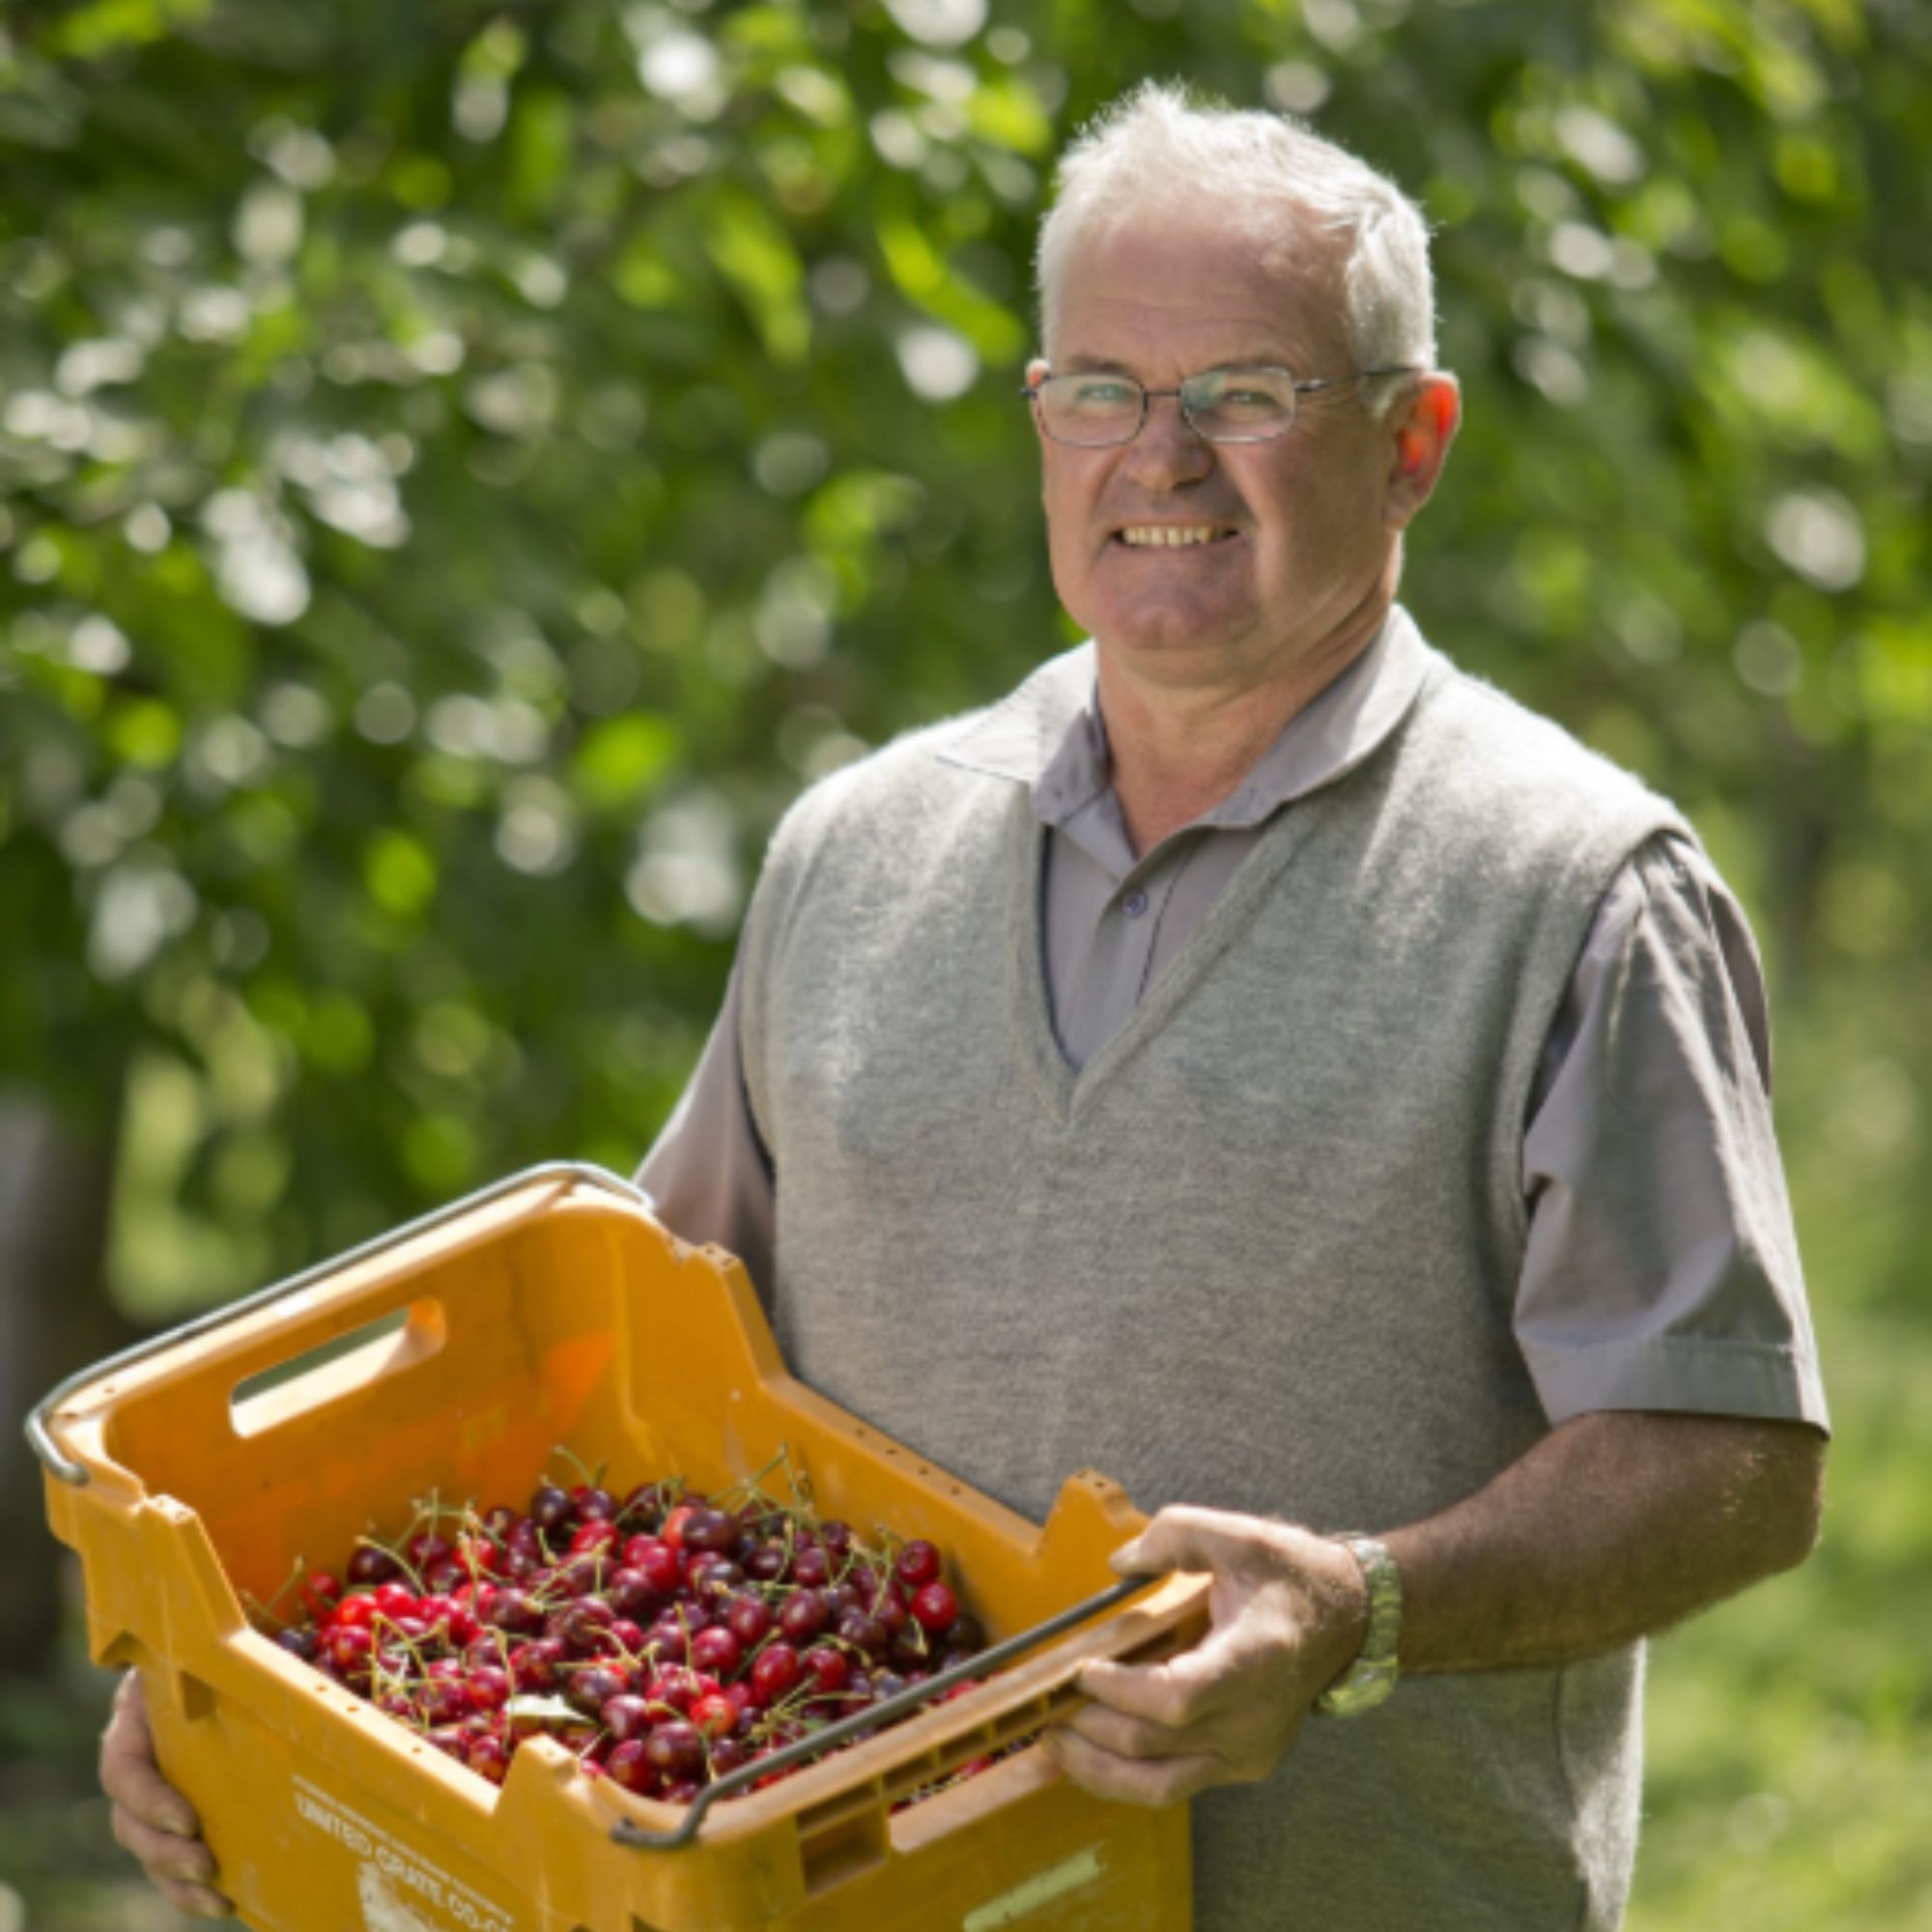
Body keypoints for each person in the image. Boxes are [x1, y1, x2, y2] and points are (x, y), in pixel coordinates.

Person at [101, 81, 1827, 1930]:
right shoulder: (859, 852)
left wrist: (1361, 1610)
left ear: (1413, 443)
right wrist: (269, 1674)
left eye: (1248, 393)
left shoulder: (1568, 890)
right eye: (1102, 390)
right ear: (1039, 424)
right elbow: (612, 1386)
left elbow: (1730, 1460)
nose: (1159, 459)